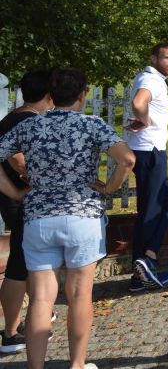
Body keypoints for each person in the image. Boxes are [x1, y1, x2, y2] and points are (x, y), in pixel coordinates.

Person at [0, 68, 135, 369]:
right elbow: (127, 159)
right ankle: (76, 364)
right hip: (82, 216)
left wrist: (15, 192)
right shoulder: (92, 125)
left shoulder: (30, 126)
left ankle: (36, 366)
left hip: (39, 217)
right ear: (83, 94)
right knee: (79, 294)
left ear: (51, 94)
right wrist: (107, 188)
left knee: (41, 299)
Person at [0, 71, 53, 355]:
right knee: (19, 267)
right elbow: (17, 159)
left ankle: (35, 317)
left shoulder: (11, 118)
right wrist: (27, 185)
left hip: (13, 199)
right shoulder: (30, 122)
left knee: (30, 262)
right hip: (22, 202)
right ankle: (10, 332)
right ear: (49, 96)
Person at [125, 43, 168, 291]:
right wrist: (144, 120)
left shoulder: (150, 77)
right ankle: (145, 264)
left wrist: (144, 120)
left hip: (148, 150)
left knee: (164, 203)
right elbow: (138, 103)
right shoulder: (151, 79)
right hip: (150, 152)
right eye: (166, 57)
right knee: (154, 209)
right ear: (153, 58)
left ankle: (145, 263)